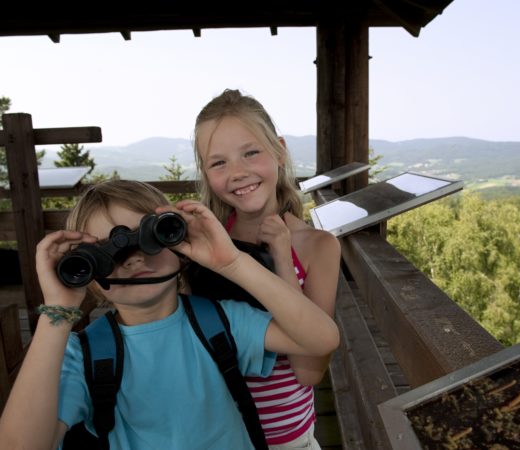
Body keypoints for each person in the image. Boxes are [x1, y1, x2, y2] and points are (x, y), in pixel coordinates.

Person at [0, 180, 339, 450]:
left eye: (149, 237)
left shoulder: (220, 321)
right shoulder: (81, 355)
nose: (131, 259)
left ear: (177, 240)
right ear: (86, 272)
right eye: (104, 253)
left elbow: (320, 339)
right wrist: (57, 312)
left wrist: (231, 262)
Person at [193, 89, 341, 449]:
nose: (238, 173)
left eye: (251, 153)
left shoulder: (318, 247)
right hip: (213, 436)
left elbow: (308, 371)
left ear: (279, 150)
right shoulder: (200, 248)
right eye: (218, 163)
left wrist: (281, 257)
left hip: (287, 441)